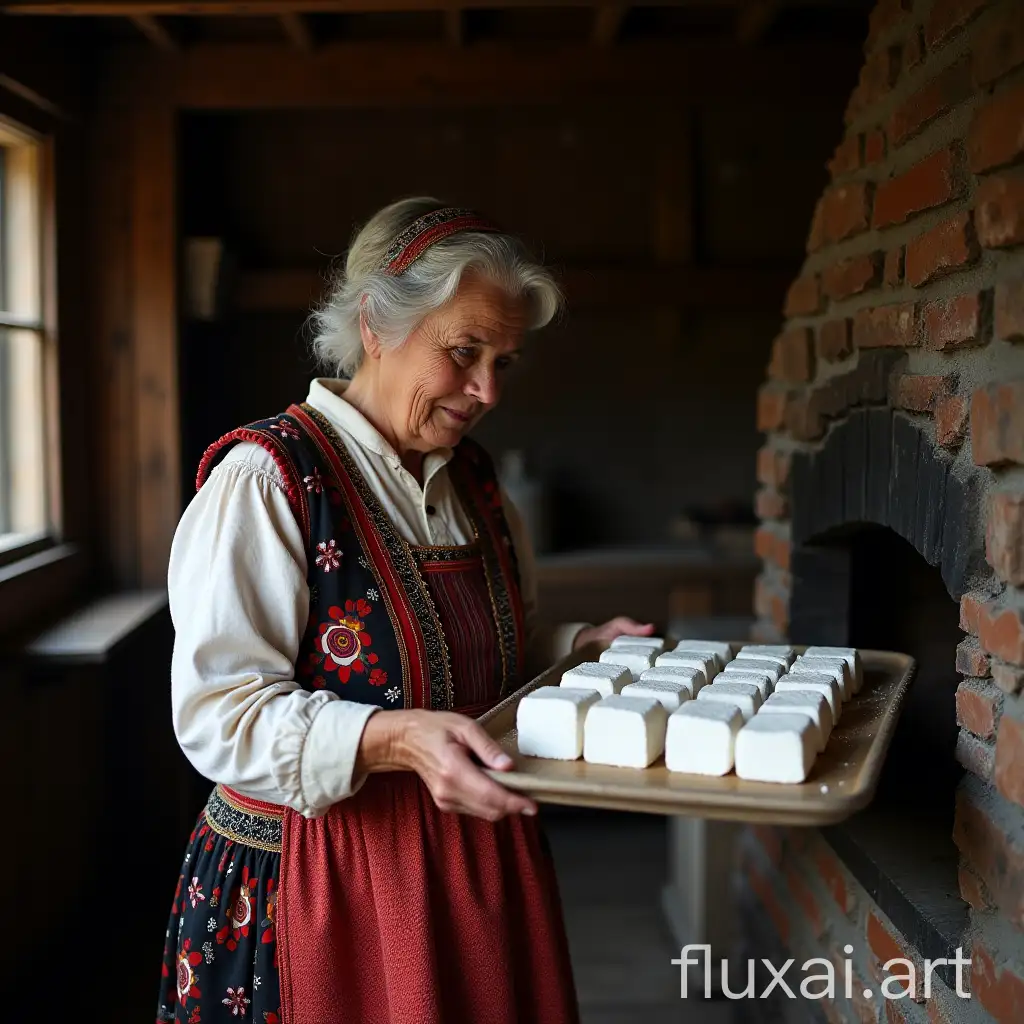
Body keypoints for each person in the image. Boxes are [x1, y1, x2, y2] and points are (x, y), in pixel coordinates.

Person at [156, 198, 654, 1024]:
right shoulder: (268, 480)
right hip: (323, 885)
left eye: (505, 362)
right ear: (375, 326)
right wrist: (395, 737)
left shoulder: (475, 483)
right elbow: (217, 716)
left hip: (474, 867)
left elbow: (490, 649)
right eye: (464, 352)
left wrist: (579, 648)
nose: (488, 389)